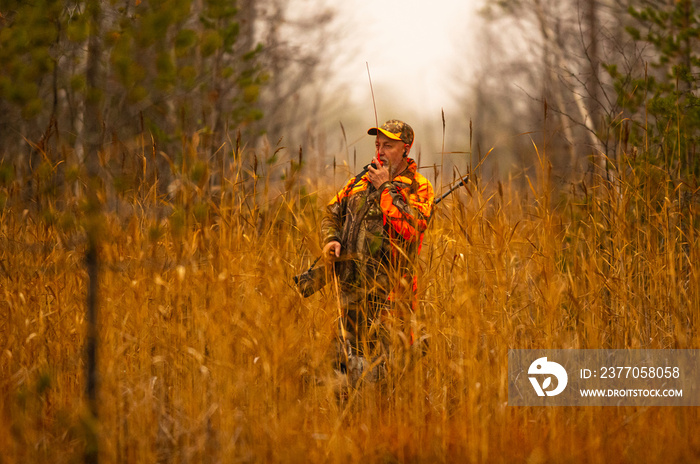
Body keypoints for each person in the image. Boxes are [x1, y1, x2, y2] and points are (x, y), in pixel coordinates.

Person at [321, 119, 434, 385]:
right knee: (344, 371)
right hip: (350, 295)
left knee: (385, 374)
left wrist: (385, 188)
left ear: (406, 149)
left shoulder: (419, 187)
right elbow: (331, 212)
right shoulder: (359, 181)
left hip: (391, 299)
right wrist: (331, 239)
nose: (380, 151)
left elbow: (411, 228)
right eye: (377, 145)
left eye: (389, 146)